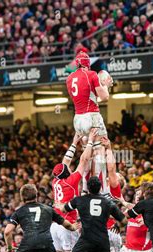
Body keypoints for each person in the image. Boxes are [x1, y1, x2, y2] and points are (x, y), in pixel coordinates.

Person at [39, 129, 96, 252]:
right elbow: (83, 162)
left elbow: (65, 163)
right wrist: (89, 142)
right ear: (67, 173)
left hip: (53, 225)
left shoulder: (56, 182)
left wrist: (74, 142)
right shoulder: (71, 181)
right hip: (67, 225)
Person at [66, 51, 113, 193]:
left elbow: (86, 95)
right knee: (100, 150)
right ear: (88, 63)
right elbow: (104, 97)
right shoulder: (92, 74)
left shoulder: (69, 78)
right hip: (91, 116)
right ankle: (103, 190)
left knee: (87, 153)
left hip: (78, 120)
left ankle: (85, 188)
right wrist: (106, 85)